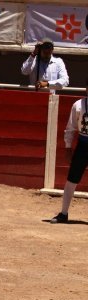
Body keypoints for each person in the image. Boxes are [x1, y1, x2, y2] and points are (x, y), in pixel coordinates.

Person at [49, 78, 88, 224]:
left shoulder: (79, 105)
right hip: (83, 145)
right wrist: (67, 147)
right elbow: (71, 128)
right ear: (86, 89)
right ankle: (63, 213)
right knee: (72, 179)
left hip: (83, 143)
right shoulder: (78, 105)